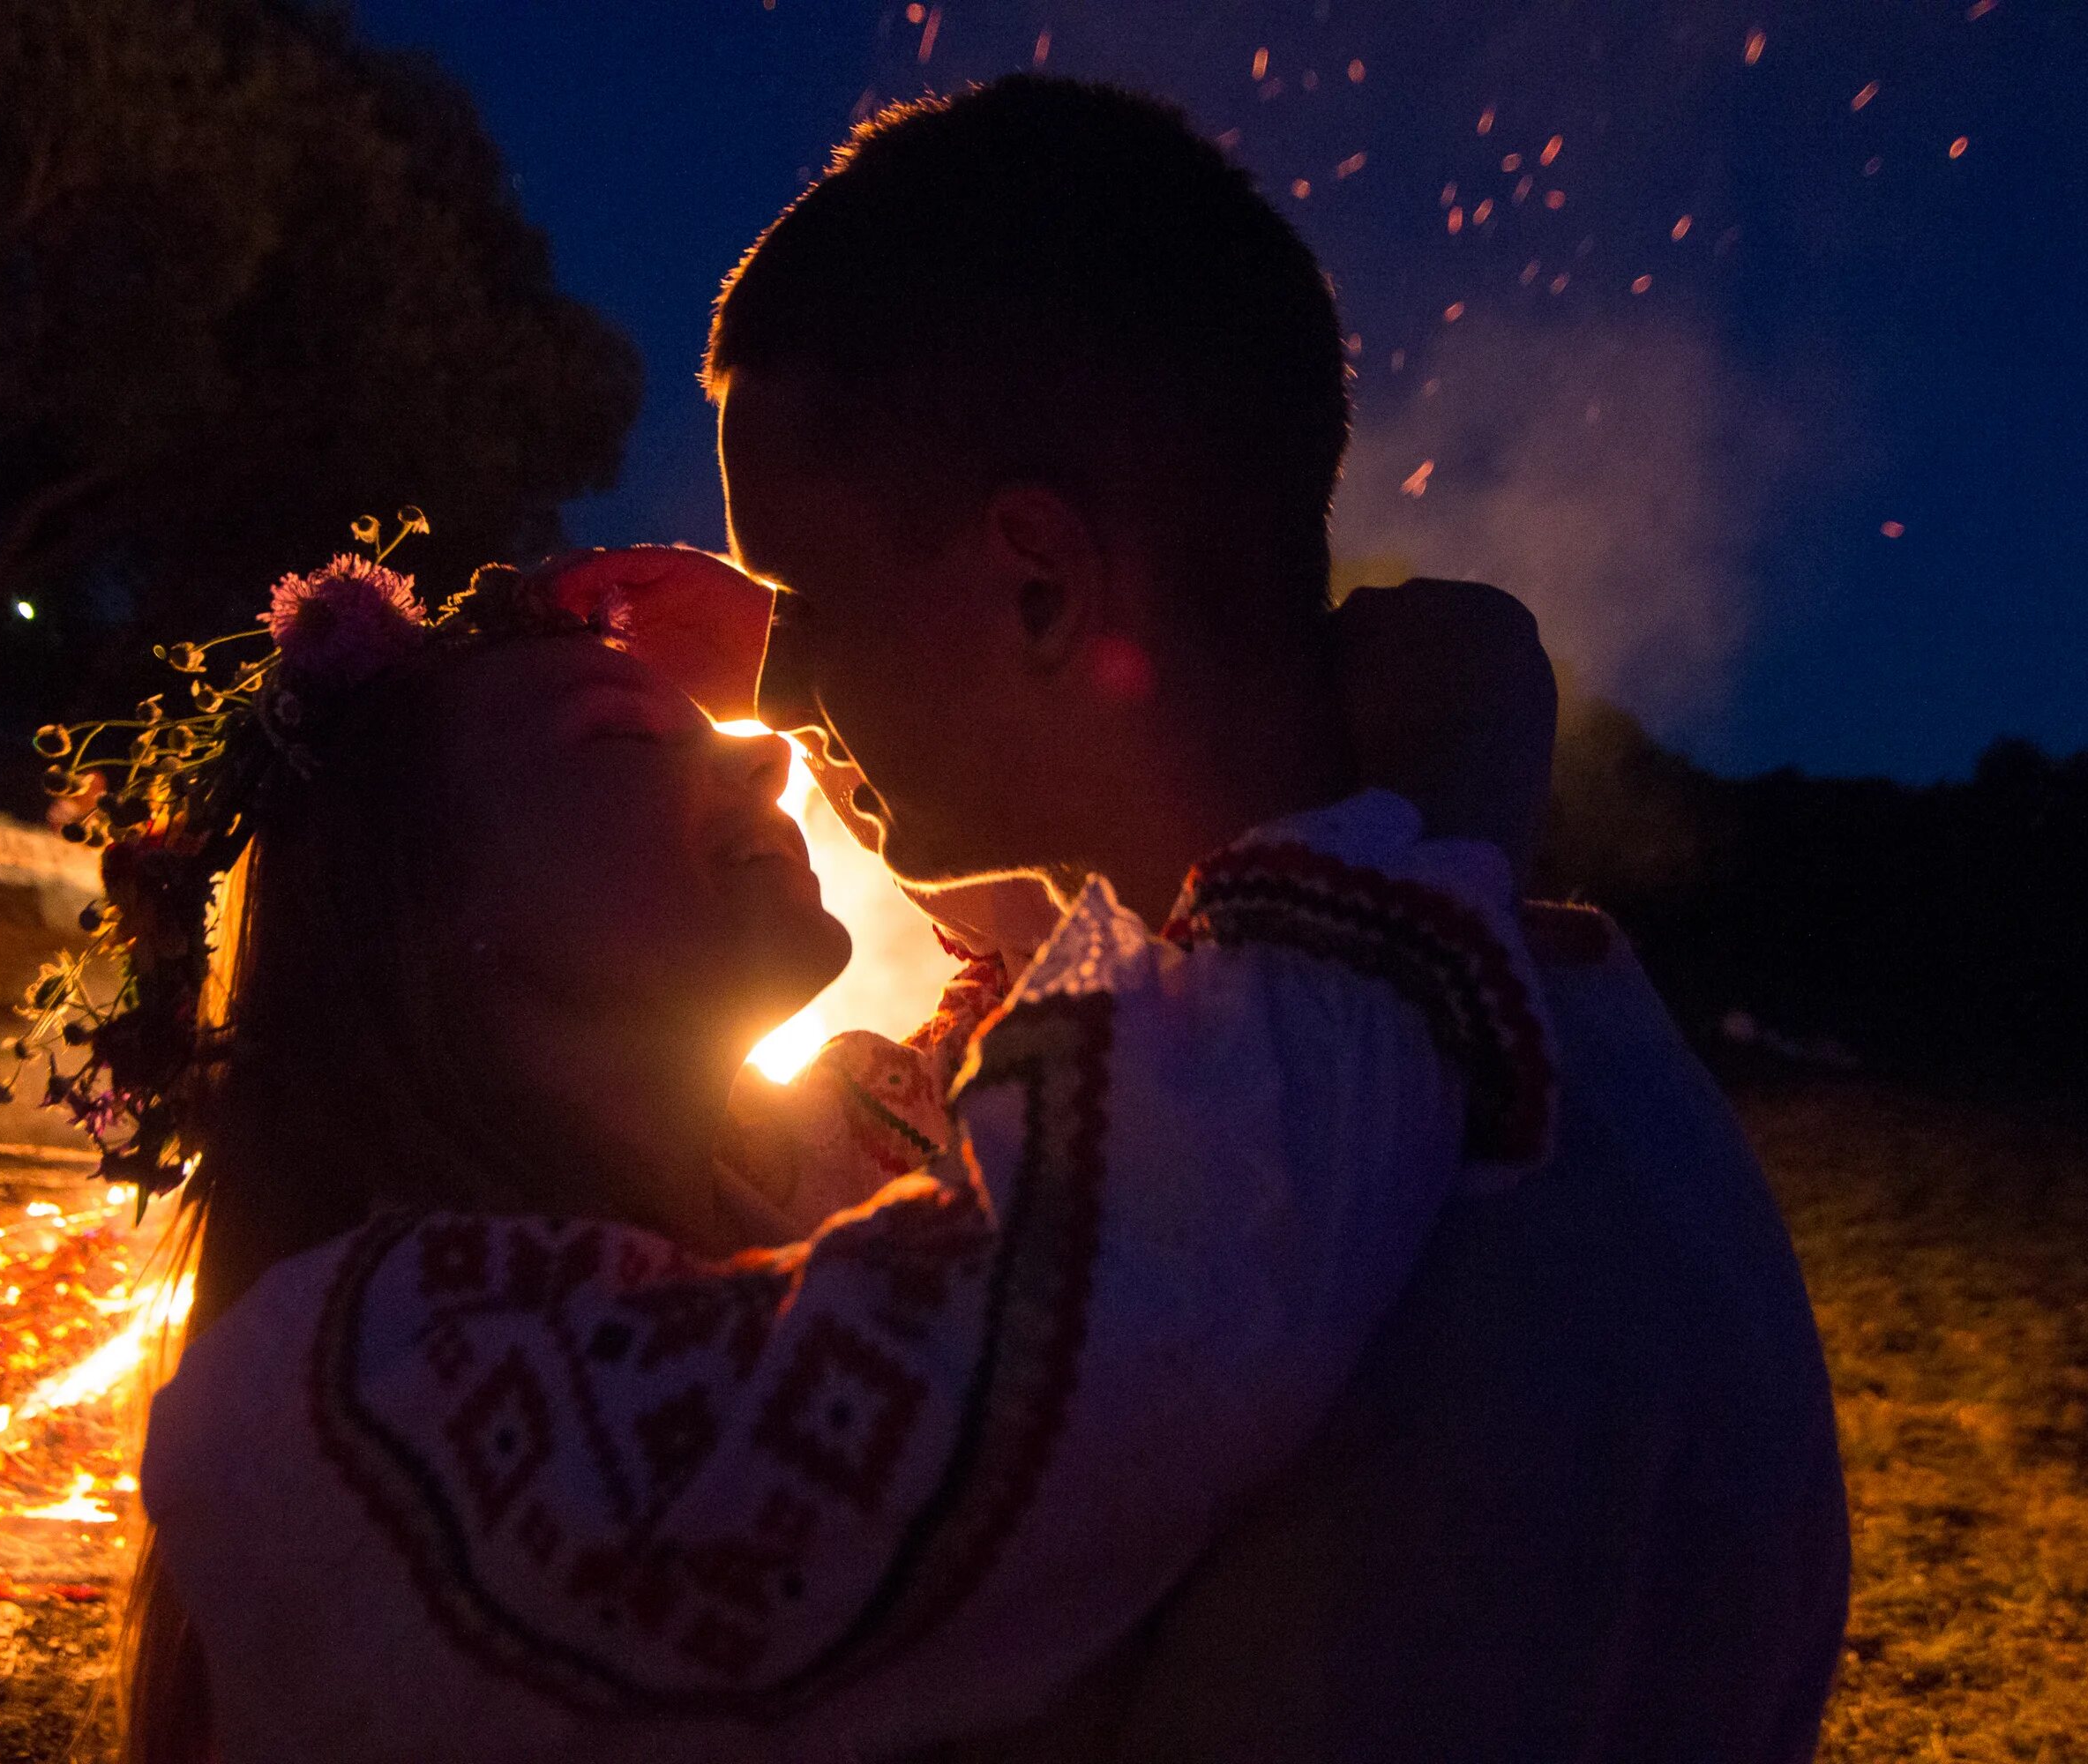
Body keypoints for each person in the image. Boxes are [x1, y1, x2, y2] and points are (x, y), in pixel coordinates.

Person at [680, 76, 1846, 1762]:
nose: (778, 694)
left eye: (798, 594)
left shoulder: (1424, 1254)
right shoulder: (1374, 1078)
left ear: (1040, 584)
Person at [113, 549, 1555, 1761]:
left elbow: (1079, 1003)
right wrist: (1429, 815)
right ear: (429, 922)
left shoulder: (807, 1182)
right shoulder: (376, 1377)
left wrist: (830, 688)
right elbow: (1142, 1275)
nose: (759, 752)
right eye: (623, 736)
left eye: (724, 728)